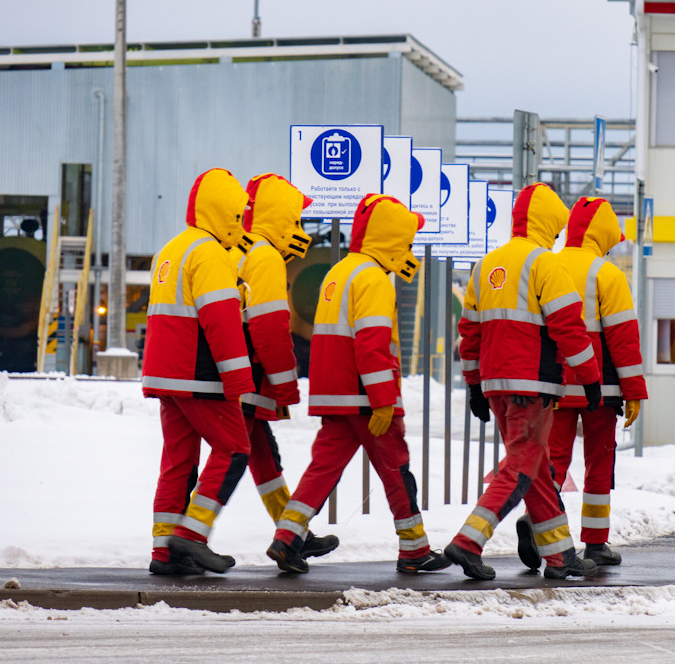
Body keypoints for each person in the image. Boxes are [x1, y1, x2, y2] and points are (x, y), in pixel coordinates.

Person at [266, 193, 450, 574]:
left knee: (323, 469)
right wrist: (383, 400)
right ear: (393, 240)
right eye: (408, 240)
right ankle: (415, 549)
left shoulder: (340, 272)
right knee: (396, 469)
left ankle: (286, 538)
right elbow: (372, 343)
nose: (411, 248)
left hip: (336, 394)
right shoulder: (374, 279)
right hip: (367, 399)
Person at [447, 182, 603, 581]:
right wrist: (590, 379)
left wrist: (473, 384)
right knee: (521, 464)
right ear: (550, 224)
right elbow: (569, 327)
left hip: (497, 384)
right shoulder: (545, 264)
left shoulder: (486, 265)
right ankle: (468, 541)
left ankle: (560, 556)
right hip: (532, 384)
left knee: (535, 463)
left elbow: (470, 333)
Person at [518, 196, 648, 569]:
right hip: (600, 389)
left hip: (554, 384)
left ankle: (539, 523)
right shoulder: (606, 274)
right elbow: (623, 338)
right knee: (599, 463)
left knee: (554, 460)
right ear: (604, 233)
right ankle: (595, 544)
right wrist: (634, 390)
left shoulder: (547, 263)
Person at [143, 168, 255, 575]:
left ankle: (165, 551)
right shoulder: (210, 254)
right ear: (226, 214)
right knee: (235, 450)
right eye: (239, 215)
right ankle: (192, 535)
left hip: (166, 376)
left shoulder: (171, 249)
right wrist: (239, 380)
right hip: (200, 376)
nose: (241, 224)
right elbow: (221, 321)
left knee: (178, 462)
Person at [231, 173, 339, 561]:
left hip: (239, 373)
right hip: (251, 374)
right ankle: (187, 537)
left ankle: (292, 534)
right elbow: (271, 327)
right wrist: (284, 381)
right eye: (293, 222)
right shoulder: (265, 257)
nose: (299, 233)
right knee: (229, 458)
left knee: (262, 455)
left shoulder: (237, 251)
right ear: (276, 220)